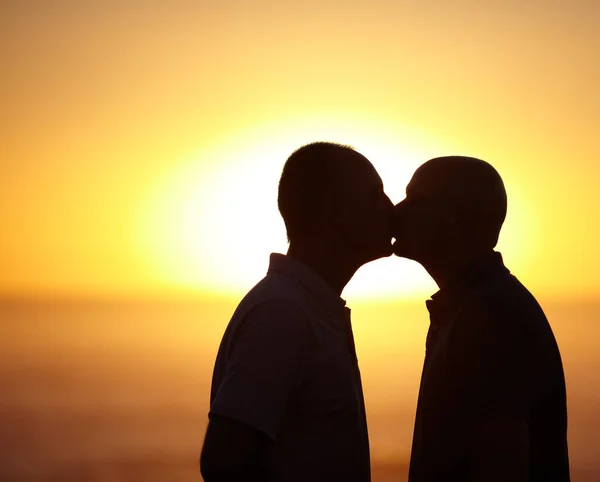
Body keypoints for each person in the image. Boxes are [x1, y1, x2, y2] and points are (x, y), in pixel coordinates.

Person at [200, 142, 394, 482]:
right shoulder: (283, 313)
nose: (392, 209)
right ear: (337, 211)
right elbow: (222, 461)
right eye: (375, 195)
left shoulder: (303, 306)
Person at [392, 156, 570, 482]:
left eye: (415, 201)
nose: (396, 211)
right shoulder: (478, 305)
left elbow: (502, 462)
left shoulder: (491, 317)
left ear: (457, 220)